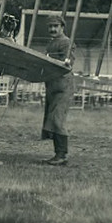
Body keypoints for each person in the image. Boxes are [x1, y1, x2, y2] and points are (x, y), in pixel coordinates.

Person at [40, 18, 75, 166]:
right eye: (50, 27)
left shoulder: (66, 42)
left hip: (63, 86)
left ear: (62, 27)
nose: (53, 29)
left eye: (56, 26)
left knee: (57, 119)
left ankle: (62, 156)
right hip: (52, 85)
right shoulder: (51, 43)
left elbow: (68, 63)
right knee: (51, 120)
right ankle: (57, 155)